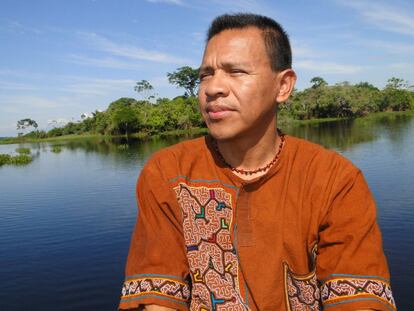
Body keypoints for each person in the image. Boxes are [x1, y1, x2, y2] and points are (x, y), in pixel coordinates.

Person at [119, 13, 396, 311]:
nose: (213, 88)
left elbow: (359, 301)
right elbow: (158, 300)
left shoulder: (334, 180)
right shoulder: (168, 173)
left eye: (235, 71)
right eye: (205, 75)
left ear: (283, 86)